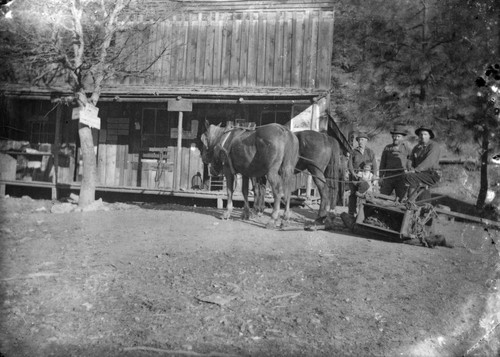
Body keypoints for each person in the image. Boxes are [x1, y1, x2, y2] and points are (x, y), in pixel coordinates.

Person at [404, 126, 441, 201]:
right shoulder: (416, 147)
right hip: (420, 174)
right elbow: (411, 160)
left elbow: (429, 161)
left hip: (431, 174)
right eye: (421, 134)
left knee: (410, 177)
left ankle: (410, 201)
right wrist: (410, 167)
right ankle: (419, 202)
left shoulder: (434, 146)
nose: (422, 136)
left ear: (429, 136)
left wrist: (416, 170)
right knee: (406, 177)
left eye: (425, 134)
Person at [347, 131, 378, 216]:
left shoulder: (370, 152)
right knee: (353, 194)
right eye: (359, 140)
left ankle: (365, 213)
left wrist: (374, 175)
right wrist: (353, 173)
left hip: (366, 177)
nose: (361, 141)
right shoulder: (353, 152)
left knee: (367, 195)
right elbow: (349, 164)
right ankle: (351, 213)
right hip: (355, 177)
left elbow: (374, 165)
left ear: (366, 141)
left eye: (362, 140)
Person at [379, 123, 412, 201]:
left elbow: (411, 160)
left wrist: (409, 171)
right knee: (382, 197)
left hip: (401, 177)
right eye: (394, 136)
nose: (396, 138)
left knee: (401, 199)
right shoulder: (387, 148)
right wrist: (380, 177)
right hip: (388, 176)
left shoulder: (407, 147)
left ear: (403, 137)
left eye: (398, 136)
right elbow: (382, 163)